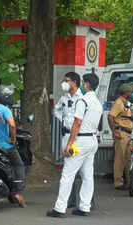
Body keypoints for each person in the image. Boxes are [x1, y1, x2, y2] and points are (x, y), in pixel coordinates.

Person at [46, 73, 103, 218]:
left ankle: (59, 208)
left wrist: (69, 144)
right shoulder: (97, 102)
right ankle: (84, 207)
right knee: (87, 175)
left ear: (86, 85)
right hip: (91, 140)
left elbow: (77, 124)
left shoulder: (82, 101)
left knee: (67, 174)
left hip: (80, 141)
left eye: (83, 82)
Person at [0, 85, 27, 208]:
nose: (9, 97)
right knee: (19, 165)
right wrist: (12, 139)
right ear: (2, 96)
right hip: (4, 145)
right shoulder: (4, 109)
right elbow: (12, 126)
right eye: (7, 95)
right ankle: (18, 192)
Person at [53, 72, 83, 208]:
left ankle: (85, 200)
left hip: (78, 137)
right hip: (66, 136)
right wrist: (64, 122)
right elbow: (56, 110)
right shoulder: (64, 97)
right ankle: (71, 199)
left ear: (74, 82)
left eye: (67, 80)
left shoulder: (82, 98)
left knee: (80, 170)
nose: (64, 83)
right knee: (69, 167)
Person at [107, 83, 133, 190]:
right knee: (120, 159)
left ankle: (129, 182)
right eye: (130, 92)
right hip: (121, 133)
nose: (132, 93)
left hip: (127, 134)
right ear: (126, 92)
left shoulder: (126, 103)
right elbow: (110, 117)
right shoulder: (119, 103)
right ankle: (118, 183)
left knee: (128, 158)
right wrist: (114, 131)